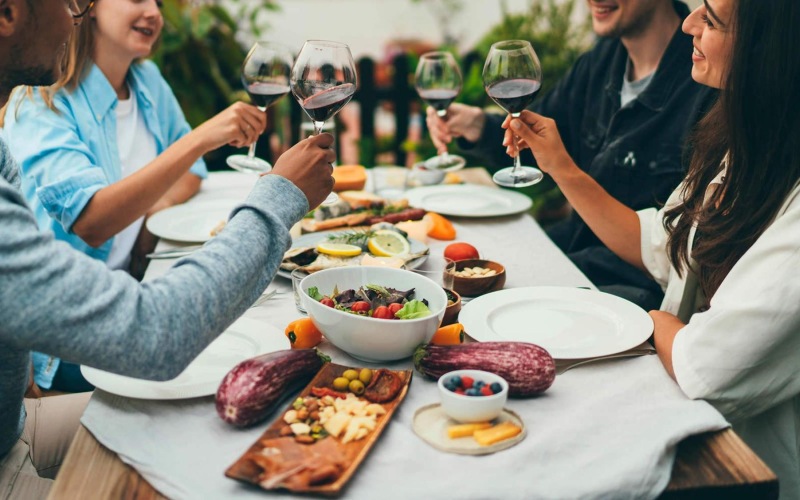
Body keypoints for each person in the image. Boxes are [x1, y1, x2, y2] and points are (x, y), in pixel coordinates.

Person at [0, 0, 335, 495]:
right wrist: (279, 196)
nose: (73, 14)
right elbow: (152, 330)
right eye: (70, 1)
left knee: (242, 408)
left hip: (15, 431)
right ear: (7, 12)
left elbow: (188, 181)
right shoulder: (41, 106)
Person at [509, 0, 800, 496]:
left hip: (737, 470)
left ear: (763, 53)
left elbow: (703, 366)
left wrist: (653, 319)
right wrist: (559, 165)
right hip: (683, 418)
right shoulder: (744, 150)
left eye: (709, 19)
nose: (688, 23)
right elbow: (659, 245)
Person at [2, 0, 271, 393]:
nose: (153, 13)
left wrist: (149, 219)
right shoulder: (41, 104)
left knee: (247, 336)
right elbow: (92, 221)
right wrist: (201, 138)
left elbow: (190, 174)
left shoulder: (146, 81)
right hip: (77, 332)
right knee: (225, 362)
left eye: (158, 3)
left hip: (135, 287)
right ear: (88, 7)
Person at [426, 0, 715, 311]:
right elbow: (540, 140)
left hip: (632, 295)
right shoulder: (600, 61)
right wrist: (476, 124)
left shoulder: (708, 83)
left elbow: (682, 252)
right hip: (571, 255)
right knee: (441, 273)